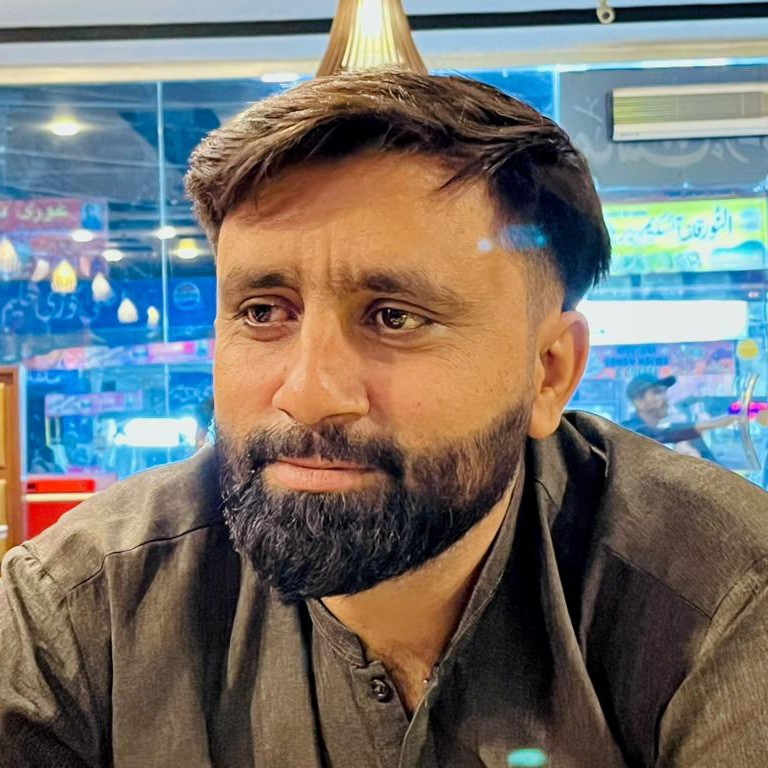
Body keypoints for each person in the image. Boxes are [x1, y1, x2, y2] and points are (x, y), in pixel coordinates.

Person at [1, 71, 767, 767]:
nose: (308, 393)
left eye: (395, 317)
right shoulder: (84, 605)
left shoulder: (718, 599)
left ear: (547, 372)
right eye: (263, 311)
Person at [621, 373, 737, 462]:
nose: (665, 398)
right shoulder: (629, 431)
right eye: (657, 392)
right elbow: (658, 435)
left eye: (664, 392)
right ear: (638, 401)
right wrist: (720, 422)